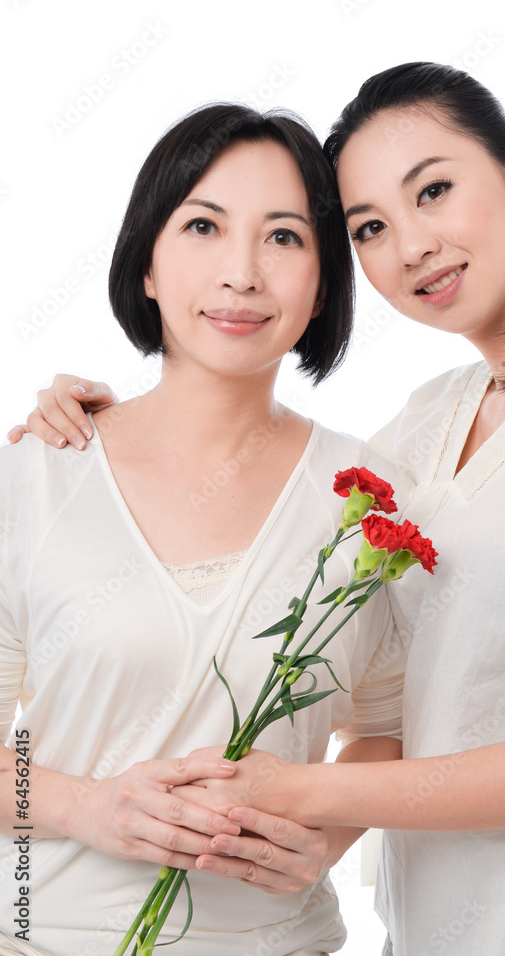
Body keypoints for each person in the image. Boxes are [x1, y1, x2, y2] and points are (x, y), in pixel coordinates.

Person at [10, 63, 505, 956]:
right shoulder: (424, 426)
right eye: (371, 226)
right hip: (419, 925)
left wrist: (301, 805)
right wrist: (84, 805)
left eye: (434, 190)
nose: (412, 245)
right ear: (146, 261)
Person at [0, 102, 412, 956]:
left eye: (284, 238)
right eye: (202, 226)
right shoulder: (38, 476)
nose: (241, 274)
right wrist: (84, 805)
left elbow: (390, 726)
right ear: (145, 264)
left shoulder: (370, 502)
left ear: (325, 281)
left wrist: (323, 842)